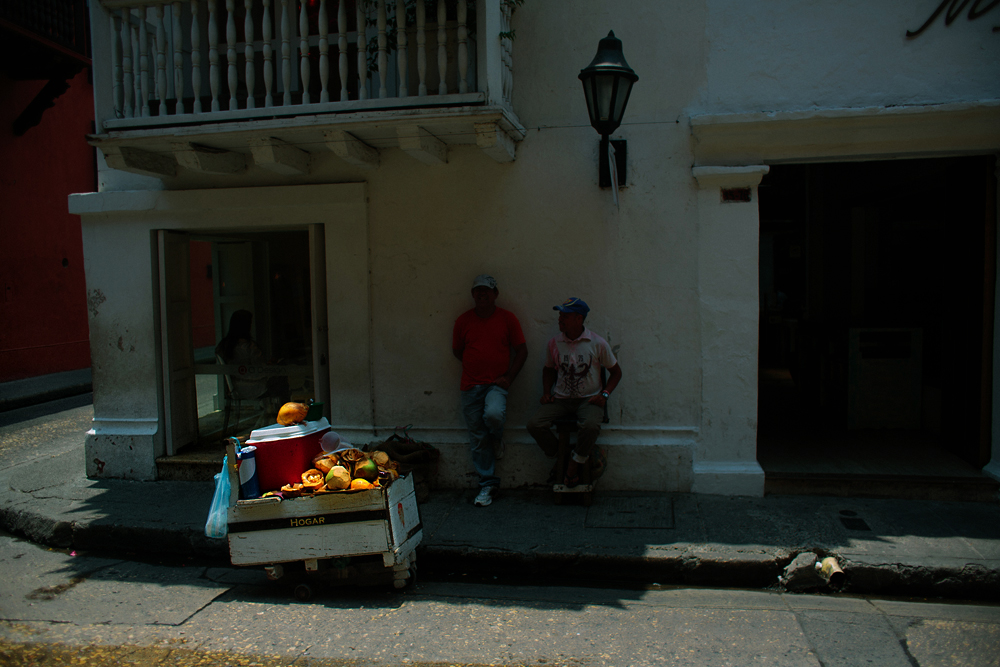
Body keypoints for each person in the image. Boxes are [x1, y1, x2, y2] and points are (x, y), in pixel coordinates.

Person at [527, 297, 622, 487]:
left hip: (589, 400)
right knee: (535, 425)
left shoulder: (597, 343)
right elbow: (548, 369)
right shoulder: (554, 343)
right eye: (560, 315)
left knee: (591, 427)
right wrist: (547, 391)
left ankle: (573, 463)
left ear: (579, 319)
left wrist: (604, 394)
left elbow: (616, 373)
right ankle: (561, 455)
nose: (560, 319)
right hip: (561, 399)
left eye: (565, 316)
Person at [452, 275, 528, 507]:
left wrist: (508, 378)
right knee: (477, 437)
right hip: (470, 386)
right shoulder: (463, 321)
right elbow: (458, 352)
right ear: (473, 294)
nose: (482, 294)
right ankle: (488, 484)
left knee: (493, 416)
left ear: (495, 294)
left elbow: (522, 351)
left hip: (496, 384)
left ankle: (495, 439)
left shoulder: (507, 319)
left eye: (487, 291)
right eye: (478, 291)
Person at [215, 310, 289, 404]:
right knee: (282, 381)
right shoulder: (249, 347)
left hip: (235, 389)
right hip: (255, 388)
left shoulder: (224, 346)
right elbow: (259, 371)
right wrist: (271, 367)